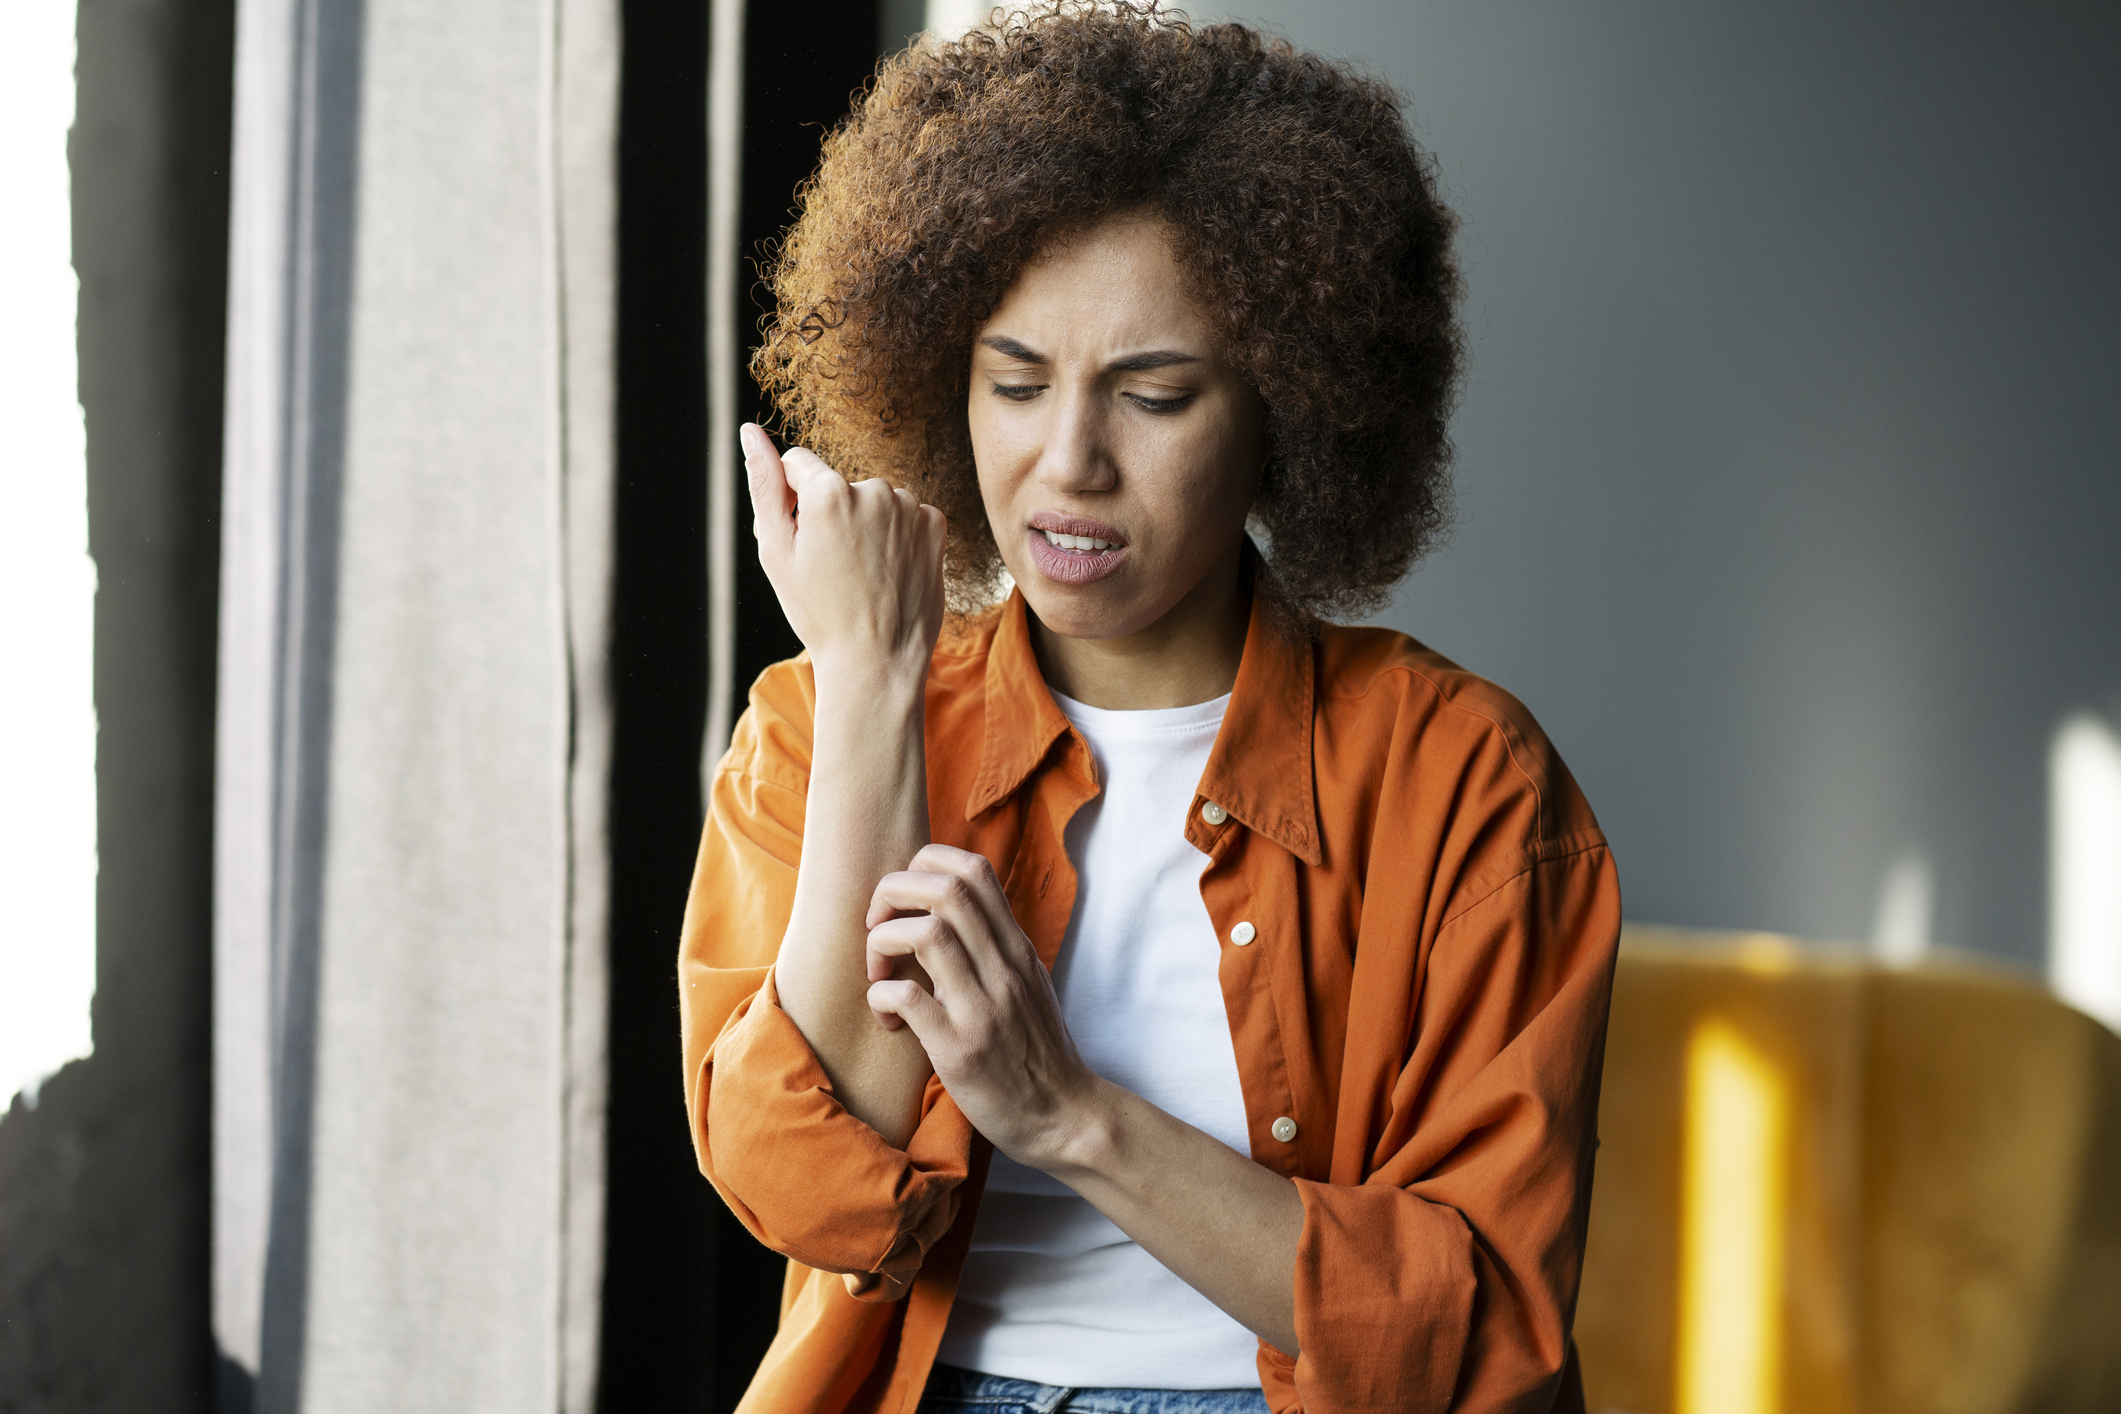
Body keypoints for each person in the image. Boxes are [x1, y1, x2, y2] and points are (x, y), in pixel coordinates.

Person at [678, 6, 1620, 1411]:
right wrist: (876, 685)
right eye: (1013, 381)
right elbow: (799, 1191)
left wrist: (1069, 1115)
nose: (1068, 464)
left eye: (1155, 394)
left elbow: (1475, 1329)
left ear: (1284, 415)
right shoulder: (821, 721)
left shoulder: (1463, 778)